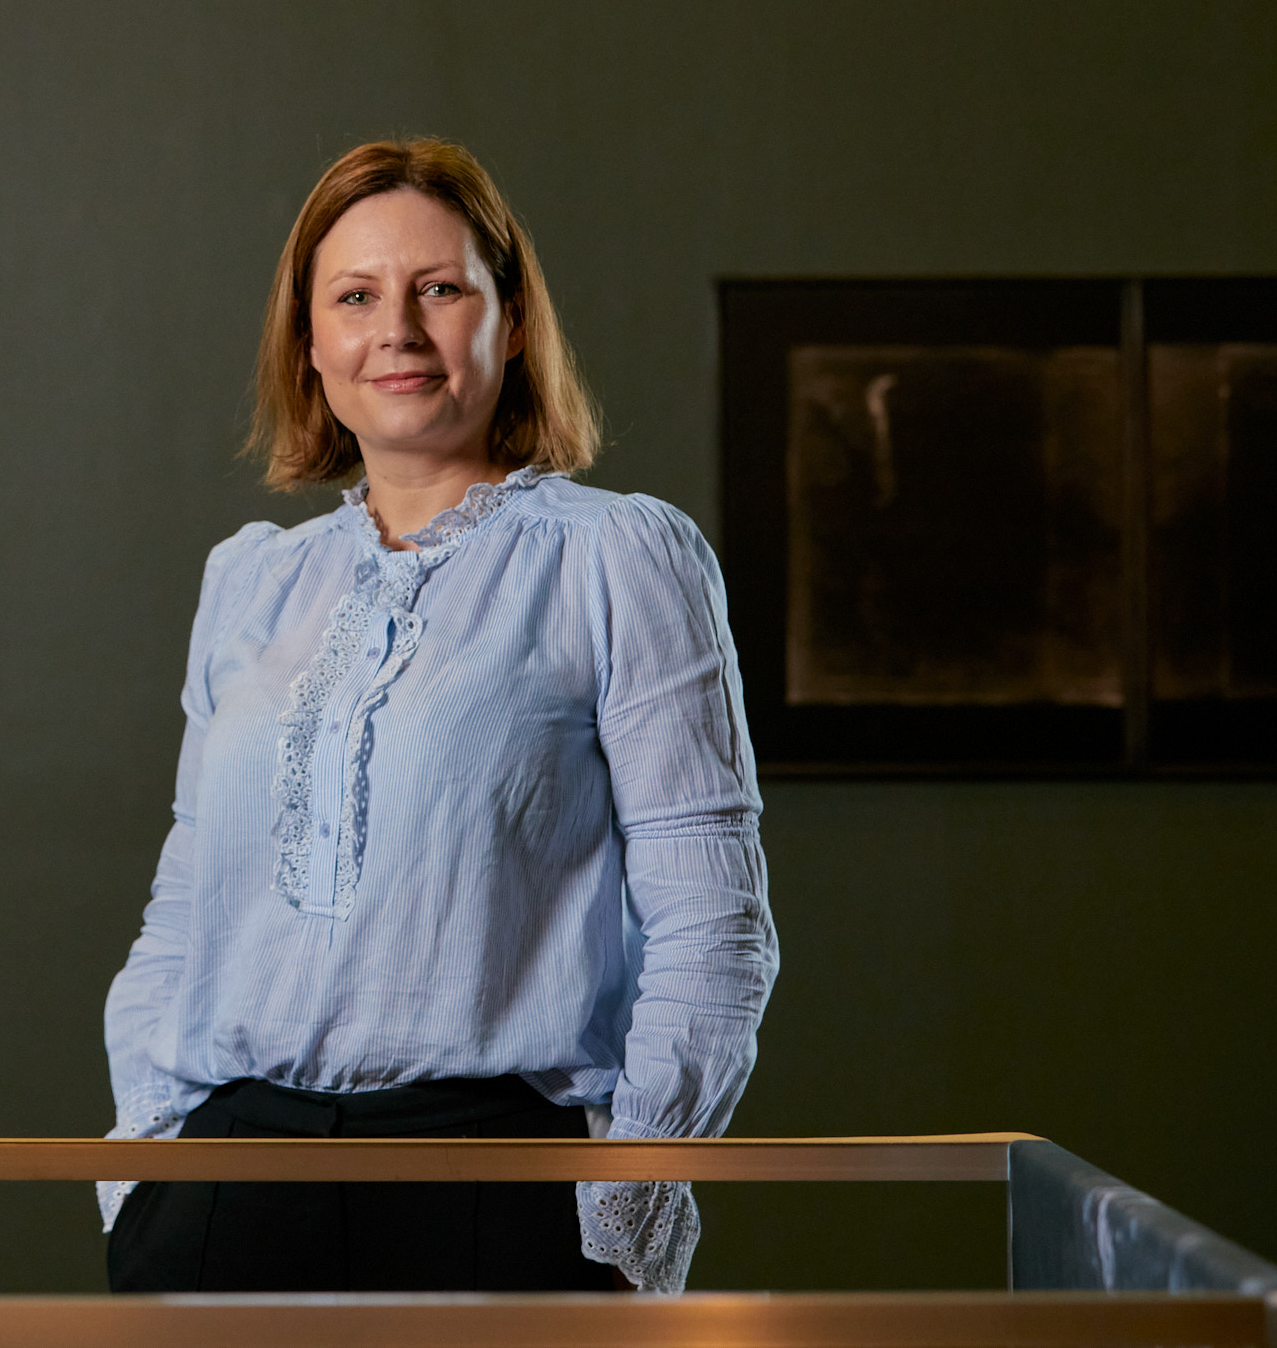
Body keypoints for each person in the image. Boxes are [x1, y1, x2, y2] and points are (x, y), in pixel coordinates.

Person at [99, 139, 778, 1294]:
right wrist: (141, 1162)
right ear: (309, 345)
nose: (396, 330)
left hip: (495, 1189)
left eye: (441, 288)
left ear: (511, 321)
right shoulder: (252, 578)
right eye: (353, 296)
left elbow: (713, 922)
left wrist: (621, 1196)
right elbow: (185, 898)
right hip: (225, 1187)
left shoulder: (616, 559)